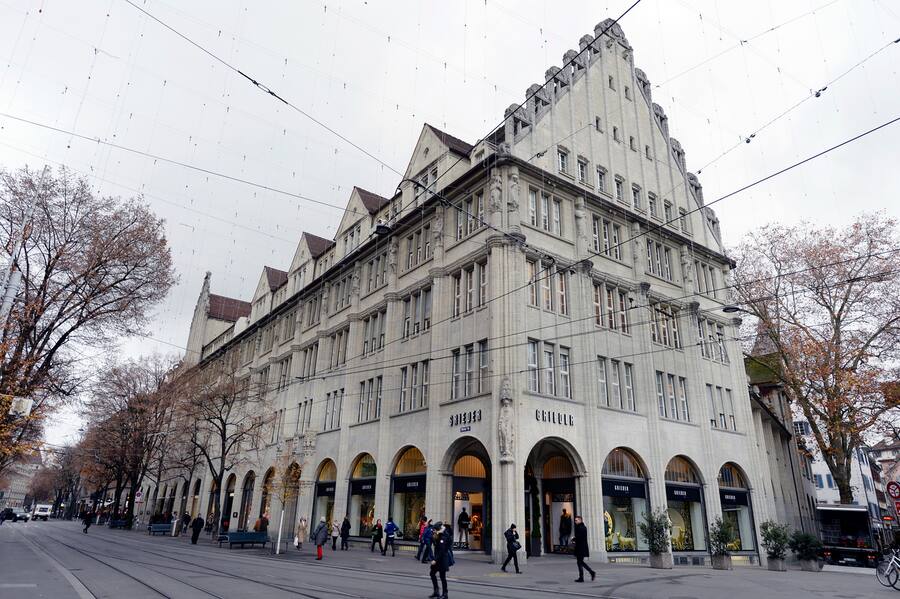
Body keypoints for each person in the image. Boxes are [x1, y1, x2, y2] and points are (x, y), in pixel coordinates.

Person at [429, 522, 452, 599]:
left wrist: (435, 560)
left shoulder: (443, 536)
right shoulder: (439, 534)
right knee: (432, 573)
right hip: (438, 559)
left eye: (435, 530)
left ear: (438, 529)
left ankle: (445, 594)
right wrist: (435, 535)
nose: (434, 531)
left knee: (442, 577)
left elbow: (442, 550)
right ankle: (436, 591)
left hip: (442, 560)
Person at [572, 515, 595, 583]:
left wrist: (573, 539)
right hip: (581, 547)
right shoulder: (581, 527)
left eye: (576, 520)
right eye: (575, 520)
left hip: (581, 547)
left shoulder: (581, 527)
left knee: (580, 562)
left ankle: (589, 573)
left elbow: (579, 537)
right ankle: (586, 575)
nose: (575, 521)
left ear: (580, 520)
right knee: (580, 562)